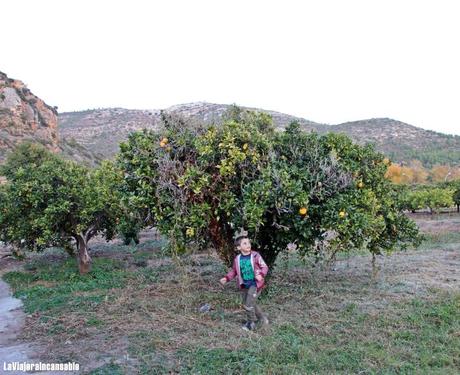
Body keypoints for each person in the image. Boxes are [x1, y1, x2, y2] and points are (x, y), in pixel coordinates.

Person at [219, 233, 269, 331]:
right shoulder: (237, 259)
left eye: (249, 243)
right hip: (245, 285)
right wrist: (226, 278)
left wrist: (261, 275)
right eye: (245, 243)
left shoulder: (255, 256)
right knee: (251, 303)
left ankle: (251, 323)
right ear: (239, 247)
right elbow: (234, 271)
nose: (248, 245)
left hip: (255, 284)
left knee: (248, 305)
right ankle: (263, 319)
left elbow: (265, 266)